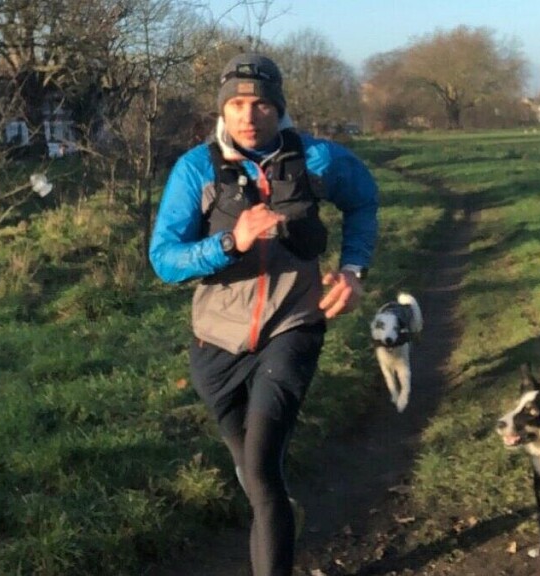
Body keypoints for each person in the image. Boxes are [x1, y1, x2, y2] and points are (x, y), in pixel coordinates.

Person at [149, 52, 378, 576]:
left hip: (292, 327)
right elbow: (164, 260)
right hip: (215, 345)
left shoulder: (318, 159)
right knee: (252, 476)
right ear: (221, 110)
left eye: (261, 105)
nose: (248, 116)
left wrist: (353, 269)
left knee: (261, 468)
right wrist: (230, 242)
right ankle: (278, 517)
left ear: (279, 108)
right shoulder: (196, 169)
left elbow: (364, 200)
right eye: (235, 104)